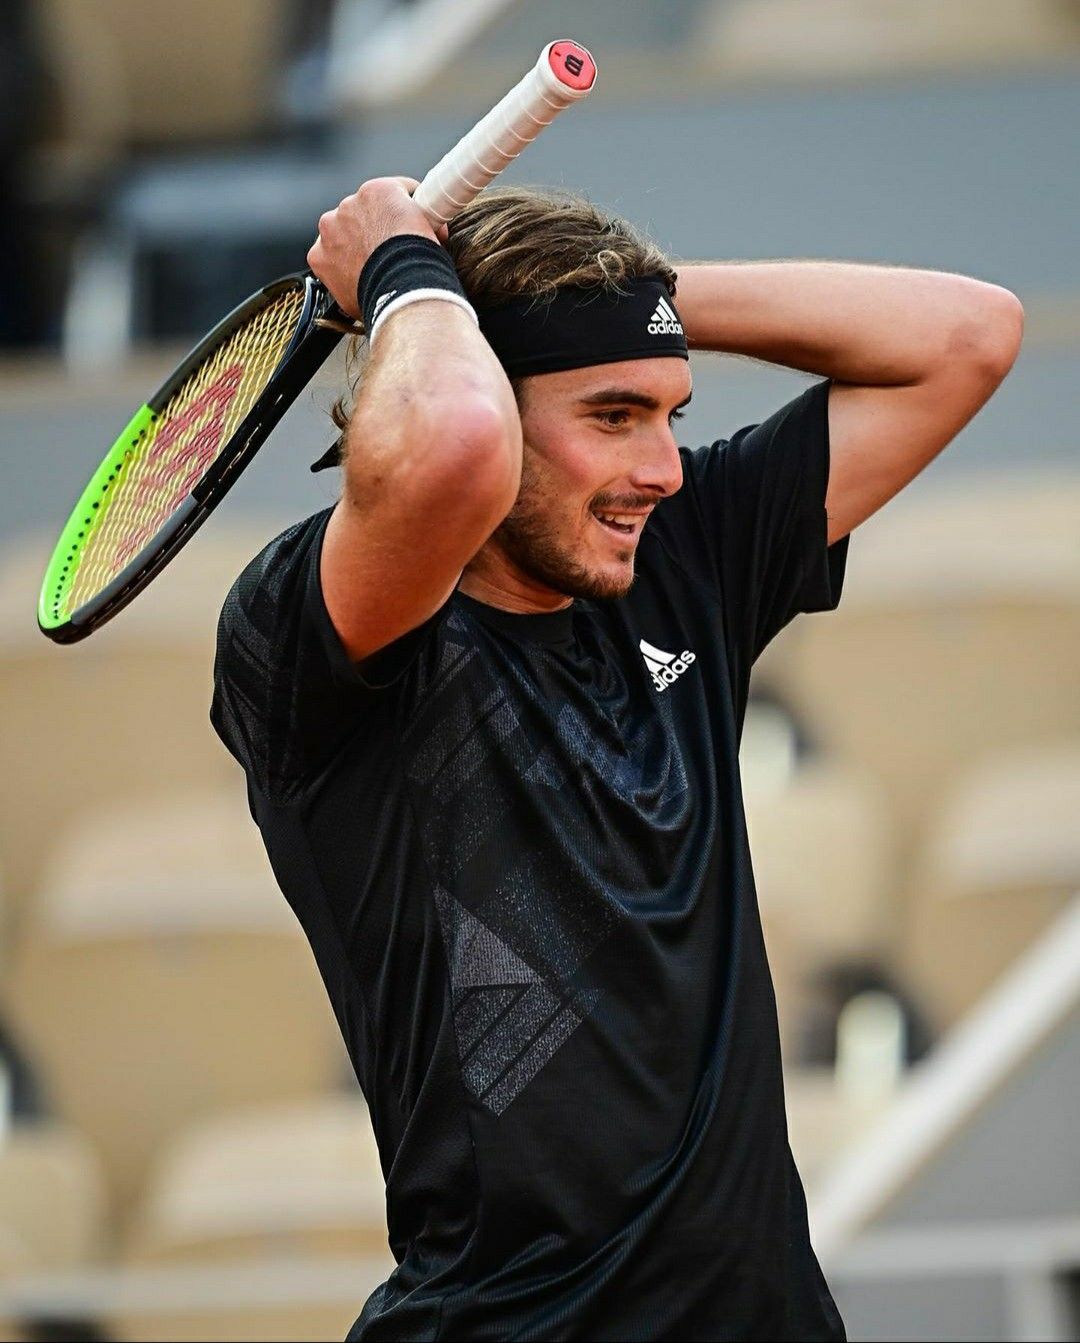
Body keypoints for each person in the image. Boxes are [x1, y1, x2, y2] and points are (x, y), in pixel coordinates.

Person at [210, 179, 1022, 1341]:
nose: (665, 466)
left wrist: (625, 305)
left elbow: (968, 336)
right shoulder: (319, 633)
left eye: (671, 415)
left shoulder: (676, 563)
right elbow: (445, 448)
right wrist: (401, 269)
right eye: (612, 414)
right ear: (483, 385)